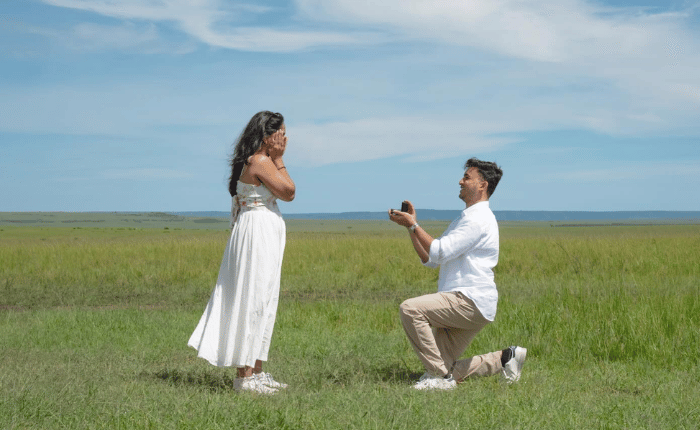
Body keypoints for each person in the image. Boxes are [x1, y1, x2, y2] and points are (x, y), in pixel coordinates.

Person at [388, 158, 526, 390]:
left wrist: (413, 225)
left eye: (467, 177)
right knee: (445, 368)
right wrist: (411, 227)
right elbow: (432, 259)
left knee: (410, 309)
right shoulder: (465, 218)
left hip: (468, 299)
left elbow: (440, 250)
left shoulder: (477, 219)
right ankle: (505, 358)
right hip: (471, 302)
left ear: (482, 185)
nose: (460, 181)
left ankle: (440, 379)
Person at [188, 111, 295, 395]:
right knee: (252, 298)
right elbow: (289, 192)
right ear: (267, 136)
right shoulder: (261, 161)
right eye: (281, 133)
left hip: (261, 232)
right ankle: (244, 377)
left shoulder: (256, 161)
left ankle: (256, 372)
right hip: (256, 234)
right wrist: (279, 159)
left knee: (264, 299)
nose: (285, 139)